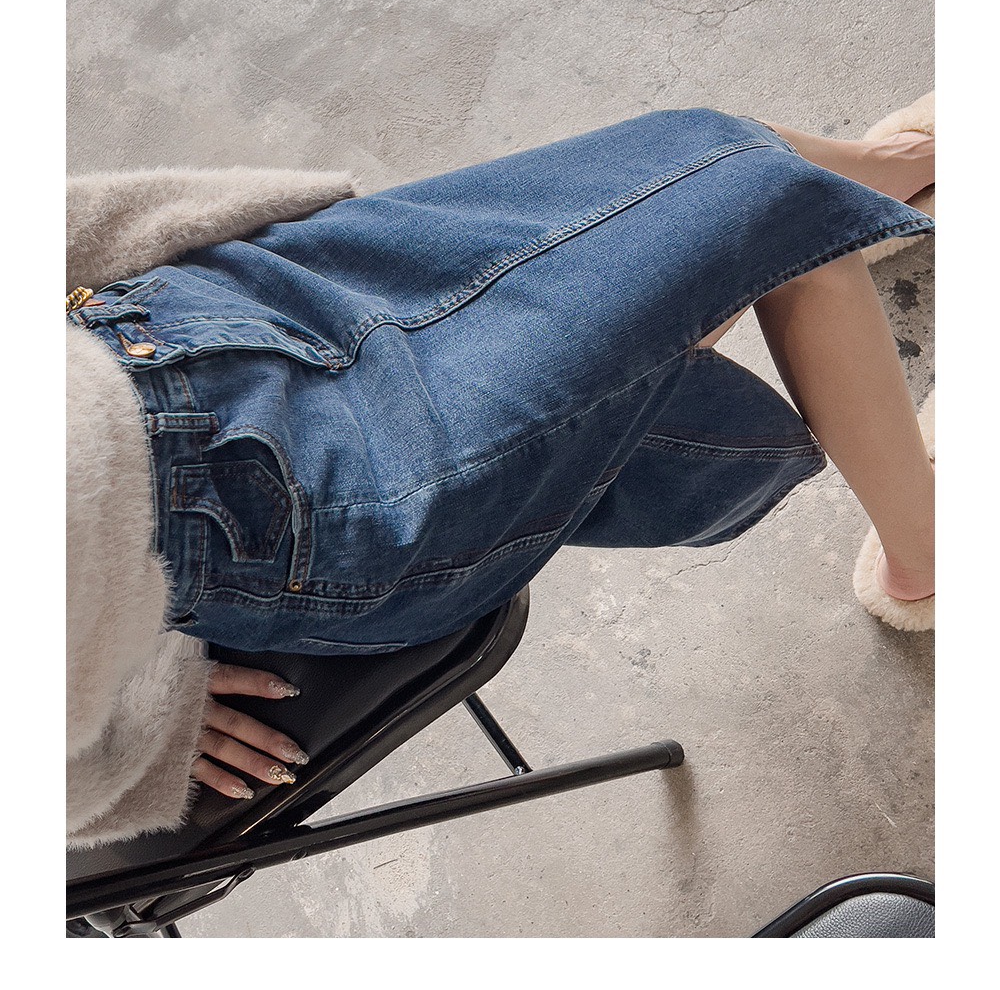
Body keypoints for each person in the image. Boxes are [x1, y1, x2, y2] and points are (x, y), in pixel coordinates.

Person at [66, 97, 935, 847]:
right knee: (749, 193)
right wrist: (104, 734)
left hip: (186, 312)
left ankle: (881, 182)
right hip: (281, 496)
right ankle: (926, 555)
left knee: (713, 180)